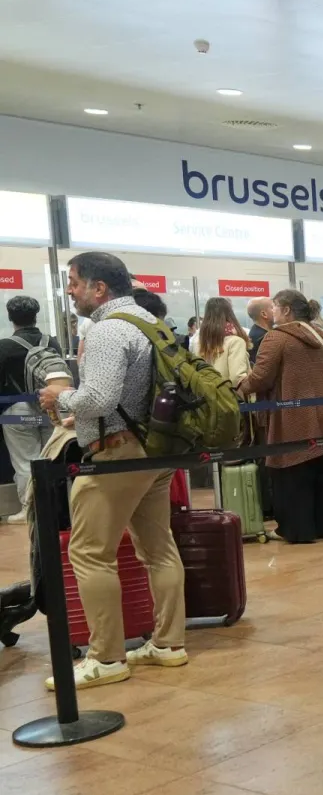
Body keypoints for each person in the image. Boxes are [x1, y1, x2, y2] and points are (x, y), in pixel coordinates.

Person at [37, 252, 187, 689]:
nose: (69, 290)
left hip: (118, 454)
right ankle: (168, 643)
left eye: (74, 282)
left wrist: (61, 401)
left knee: (88, 552)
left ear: (99, 288)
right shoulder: (151, 322)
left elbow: (99, 398)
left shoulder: (106, 329)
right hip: (158, 450)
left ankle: (106, 657)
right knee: (158, 547)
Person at [236, 290, 323, 545]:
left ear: (286, 310)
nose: (273, 312)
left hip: (294, 414)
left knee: (292, 471)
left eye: (275, 307)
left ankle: (297, 529)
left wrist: (238, 387)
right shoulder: (321, 335)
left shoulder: (276, 338)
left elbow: (261, 376)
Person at [0, 295, 65, 523]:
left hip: (17, 412)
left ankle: (29, 510)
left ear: (10, 317)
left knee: (25, 461)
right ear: (35, 316)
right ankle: (53, 508)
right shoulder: (51, 342)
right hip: (49, 407)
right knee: (50, 458)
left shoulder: (5, 347)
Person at [194, 297, 251, 388]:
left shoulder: (199, 342)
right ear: (230, 314)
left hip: (209, 396)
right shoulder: (235, 341)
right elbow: (237, 378)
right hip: (230, 398)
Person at [246, 297, 273, 364]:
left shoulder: (255, 332)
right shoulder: (265, 338)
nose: (276, 310)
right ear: (264, 314)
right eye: (273, 307)